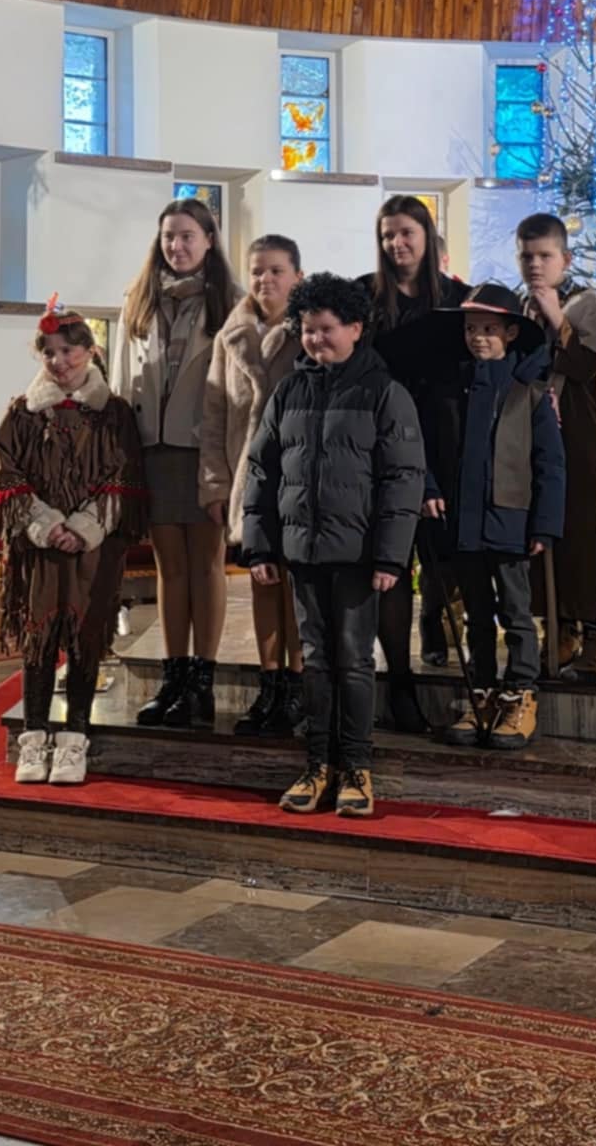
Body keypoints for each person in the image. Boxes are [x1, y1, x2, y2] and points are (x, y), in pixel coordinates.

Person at [241, 273, 424, 817]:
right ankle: (317, 764)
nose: (316, 339)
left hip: (360, 556)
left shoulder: (384, 393)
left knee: (354, 660)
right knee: (316, 661)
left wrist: (390, 555)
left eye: (326, 329)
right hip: (303, 551)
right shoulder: (288, 392)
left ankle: (357, 769)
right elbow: (262, 470)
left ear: (355, 329)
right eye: (307, 329)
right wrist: (260, 546)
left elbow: (403, 478)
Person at [0, 303, 146, 785]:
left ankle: (74, 740)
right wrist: (44, 523)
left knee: (85, 636)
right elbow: (3, 473)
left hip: (94, 547)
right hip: (40, 547)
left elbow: (125, 476)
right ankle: (33, 738)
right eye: (49, 353)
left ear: (90, 351)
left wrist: (85, 527)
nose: (59, 361)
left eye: (68, 351)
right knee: (40, 635)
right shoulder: (23, 412)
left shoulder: (114, 413)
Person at [420, 284, 566, 750]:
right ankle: (480, 691)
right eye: (470, 329)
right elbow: (428, 448)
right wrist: (429, 489)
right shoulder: (449, 389)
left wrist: (544, 524)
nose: (478, 338)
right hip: (463, 523)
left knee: (516, 612)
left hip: (510, 520)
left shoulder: (529, 392)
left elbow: (550, 464)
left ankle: (521, 693)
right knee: (476, 614)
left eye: (488, 329)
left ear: (510, 333)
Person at [113, 197, 240, 729]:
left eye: (188, 235)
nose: (177, 245)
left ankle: (203, 681)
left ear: (209, 240)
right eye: (169, 236)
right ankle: (174, 675)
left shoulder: (232, 302)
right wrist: (124, 454)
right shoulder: (139, 300)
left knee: (207, 564)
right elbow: (123, 380)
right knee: (171, 567)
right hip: (155, 451)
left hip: (207, 450)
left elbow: (239, 391)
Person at [358, 195, 468, 724]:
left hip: (447, 440)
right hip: (384, 443)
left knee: (447, 555)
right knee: (392, 563)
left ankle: (439, 629)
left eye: (406, 233)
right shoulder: (364, 296)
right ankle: (399, 682)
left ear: (426, 235)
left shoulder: (458, 298)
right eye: (387, 235)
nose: (396, 244)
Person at [200, 234, 305, 736]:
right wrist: (215, 484)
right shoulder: (231, 334)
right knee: (263, 581)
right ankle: (270, 683)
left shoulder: (307, 330)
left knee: (296, 584)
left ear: (297, 277)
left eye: (276, 270)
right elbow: (215, 413)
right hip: (249, 478)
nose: (265, 279)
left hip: (297, 475)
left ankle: (299, 685)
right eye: (258, 270)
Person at [517, 213, 596, 684]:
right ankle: (558, 630)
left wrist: (556, 317)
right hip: (533, 435)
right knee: (542, 531)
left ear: (566, 258)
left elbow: (584, 365)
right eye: (527, 256)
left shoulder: (587, 302)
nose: (535, 265)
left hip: (575, 435)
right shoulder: (521, 305)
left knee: (580, 534)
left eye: (544, 256)